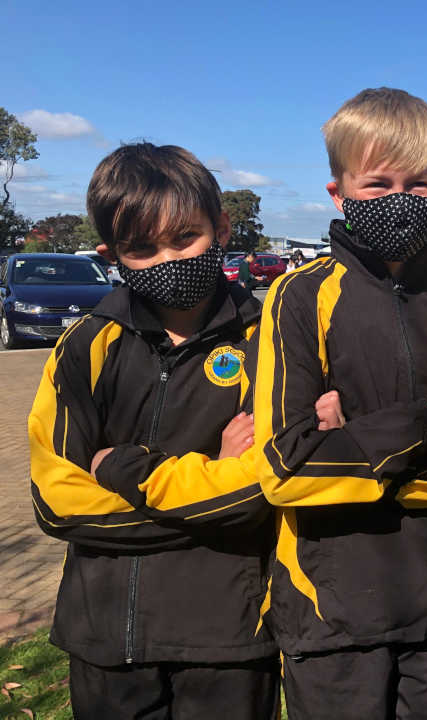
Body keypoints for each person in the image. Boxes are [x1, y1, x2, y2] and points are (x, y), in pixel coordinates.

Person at [252, 87, 427, 720]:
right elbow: (290, 469)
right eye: (377, 184)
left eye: (420, 185)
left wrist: (361, 453)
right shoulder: (299, 298)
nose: (399, 199)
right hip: (333, 614)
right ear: (337, 194)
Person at [29, 143, 279, 718]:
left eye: (185, 238)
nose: (167, 259)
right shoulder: (87, 345)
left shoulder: (270, 338)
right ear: (111, 254)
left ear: (221, 228)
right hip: (104, 634)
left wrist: (119, 468)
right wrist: (210, 483)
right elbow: (56, 504)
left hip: (228, 634)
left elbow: (262, 491)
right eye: (142, 249)